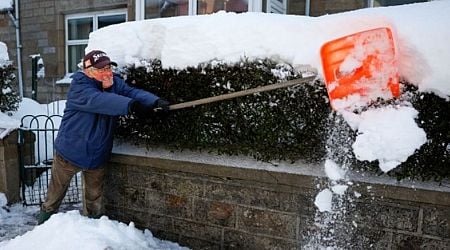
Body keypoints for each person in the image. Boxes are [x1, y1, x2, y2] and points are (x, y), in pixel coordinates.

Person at [37, 50, 169, 224]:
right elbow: (100, 100)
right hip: (70, 153)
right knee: (54, 196)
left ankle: (94, 232)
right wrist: (132, 106)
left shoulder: (112, 82)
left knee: (94, 199)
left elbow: (131, 92)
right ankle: (43, 226)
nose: (107, 72)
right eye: (101, 69)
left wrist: (154, 101)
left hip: (97, 154)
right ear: (88, 71)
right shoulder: (80, 87)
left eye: (108, 67)